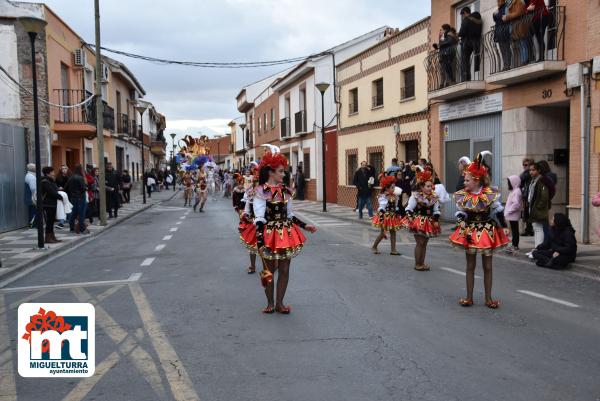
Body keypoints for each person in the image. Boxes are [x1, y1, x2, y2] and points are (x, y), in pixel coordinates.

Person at [253, 146, 317, 314]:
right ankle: (270, 303)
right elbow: (259, 217)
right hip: (267, 233)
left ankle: (280, 303)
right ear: (271, 172)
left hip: (286, 233)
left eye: (283, 171)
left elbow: (289, 215)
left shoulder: (286, 192)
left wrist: (304, 226)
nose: (283, 174)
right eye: (280, 171)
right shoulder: (260, 192)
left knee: (285, 269)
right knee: (267, 270)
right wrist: (260, 241)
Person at [449, 151, 509, 309]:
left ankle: (488, 298)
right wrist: (461, 221)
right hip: (470, 231)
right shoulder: (464, 196)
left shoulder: (489, 194)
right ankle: (469, 297)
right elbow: (460, 212)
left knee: (488, 266)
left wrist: (504, 226)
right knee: (470, 265)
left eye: (467, 180)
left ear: (476, 180)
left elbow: (498, 210)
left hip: (486, 231)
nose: (464, 182)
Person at [402, 168, 441, 271]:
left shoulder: (434, 197)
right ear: (421, 186)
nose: (430, 188)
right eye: (428, 186)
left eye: (431, 186)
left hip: (429, 222)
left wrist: (436, 220)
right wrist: (410, 218)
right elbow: (409, 208)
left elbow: (436, 210)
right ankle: (417, 264)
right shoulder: (415, 196)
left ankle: (422, 263)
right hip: (418, 222)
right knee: (420, 243)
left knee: (425, 243)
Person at [371, 176, 402, 255]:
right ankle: (374, 246)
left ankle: (393, 250)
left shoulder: (395, 196)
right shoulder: (383, 196)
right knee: (383, 233)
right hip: (384, 216)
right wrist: (381, 219)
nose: (394, 189)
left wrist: (398, 213)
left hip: (393, 216)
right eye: (392, 187)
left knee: (393, 232)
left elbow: (396, 206)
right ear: (387, 188)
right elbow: (382, 208)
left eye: (394, 187)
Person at [237, 168, 260, 274]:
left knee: (268, 246)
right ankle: (253, 266)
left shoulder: (267, 196)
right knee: (252, 246)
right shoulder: (250, 196)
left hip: (265, 224)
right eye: (256, 185)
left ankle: (273, 265)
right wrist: (246, 216)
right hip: (253, 224)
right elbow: (246, 210)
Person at [527, 162, 550, 255]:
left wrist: (538, 207)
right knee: (535, 228)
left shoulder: (541, 180)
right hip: (532, 207)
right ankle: (537, 249)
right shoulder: (533, 180)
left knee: (539, 228)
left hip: (538, 209)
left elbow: (544, 196)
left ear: (538, 170)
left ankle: (539, 250)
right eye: (530, 170)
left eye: (533, 170)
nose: (531, 172)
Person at [458, 6, 483, 81]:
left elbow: (462, 32)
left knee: (465, 60)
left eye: (462, 15)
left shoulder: (466, 20)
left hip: (467, 42)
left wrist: (458, 34)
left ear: (465, 13)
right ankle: (477, 74)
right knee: (476, 57)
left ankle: (466, 77)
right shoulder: (478, 20)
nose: (462, 17)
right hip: (476, 41)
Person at [40, 166, 64, 244]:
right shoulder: (45, 181)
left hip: (52, 203)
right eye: (52, 172)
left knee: (51, 221)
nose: (54, 173)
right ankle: (48, 238)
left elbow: (54, 190)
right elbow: (51, 192)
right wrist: (60, 196)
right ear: (49, 173)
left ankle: (52, 237)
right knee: (49, 221)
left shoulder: (50, 181)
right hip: (48, 204)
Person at [503, 0, 529, 67]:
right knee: (519, 44)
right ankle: (523, 60)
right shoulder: (509, 5)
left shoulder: (518, 2)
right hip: (515, 26)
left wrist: (507, 16)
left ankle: (525, 60)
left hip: (520, 25)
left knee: (523, 43)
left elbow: (518, 13)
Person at [64, 164, 89, 234]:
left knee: (74, 213)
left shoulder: (71, 177)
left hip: (73, 197)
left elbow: (65, 188)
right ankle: (82, 229)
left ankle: (72, 227)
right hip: (80, 197)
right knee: (81, 213)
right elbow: (83, 188)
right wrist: (86, 187)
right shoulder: (80, 178)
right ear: (81, 170)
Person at [504, 175, 523, 253]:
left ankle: (515, 245)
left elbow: (516, 204)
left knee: (515, 231)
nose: (509, 184)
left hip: (513, 215)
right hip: (512, 215)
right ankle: (514, 245)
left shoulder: (516, 191)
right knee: (514, 230)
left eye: (509, 182)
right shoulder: (514, 190)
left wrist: (509, 211)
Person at [493, 0, 512, 70]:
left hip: (504, 31)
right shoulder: (499, 9)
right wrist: (494, 14)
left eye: (499, 1)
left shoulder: (505, 7)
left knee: (506, 49)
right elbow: (495, 20)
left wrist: (497, 14)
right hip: (499, 31)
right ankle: (505, 65)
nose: (498, 3)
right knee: (502, 50)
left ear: (503, 1)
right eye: (497, 1)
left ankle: (507, 65)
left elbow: (504, 17)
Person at [520, 158, 535, 236]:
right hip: (526, 195)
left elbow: (520, 179)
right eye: (523, 165)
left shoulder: (528, 173)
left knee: (528, 212)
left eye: (526, 165)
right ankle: (528, 229)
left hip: (529, 195)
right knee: (526, 213)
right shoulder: (526, 173)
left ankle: (530, 229)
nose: (524, 166)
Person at [24, 163, 37, 228]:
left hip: (30, 196)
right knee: (34, 211)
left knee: (32, 210)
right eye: (35, 167)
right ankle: (33, 224)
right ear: (33, 169)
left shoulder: (28, 175)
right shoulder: (31, 177)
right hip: (32, 197)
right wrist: (35, 197)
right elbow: (33, 188)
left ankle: (33, 224)